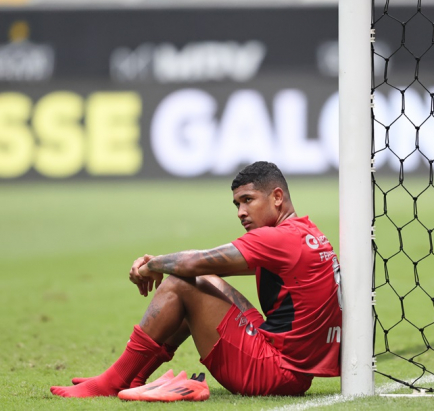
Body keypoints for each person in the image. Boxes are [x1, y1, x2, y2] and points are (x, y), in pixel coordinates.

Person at [50, 161, 342, 399]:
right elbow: (205, 269)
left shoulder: (277, 238)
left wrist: (151, 264)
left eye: (248, 201)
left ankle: (113, 381)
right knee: (201, 280)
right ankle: (133, 375)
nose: (241, 212)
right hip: (292, 365)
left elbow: (192, 262)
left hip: (276, 372)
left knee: (181, 281)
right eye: (236, 204)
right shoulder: (306, 233)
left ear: (277, 197)